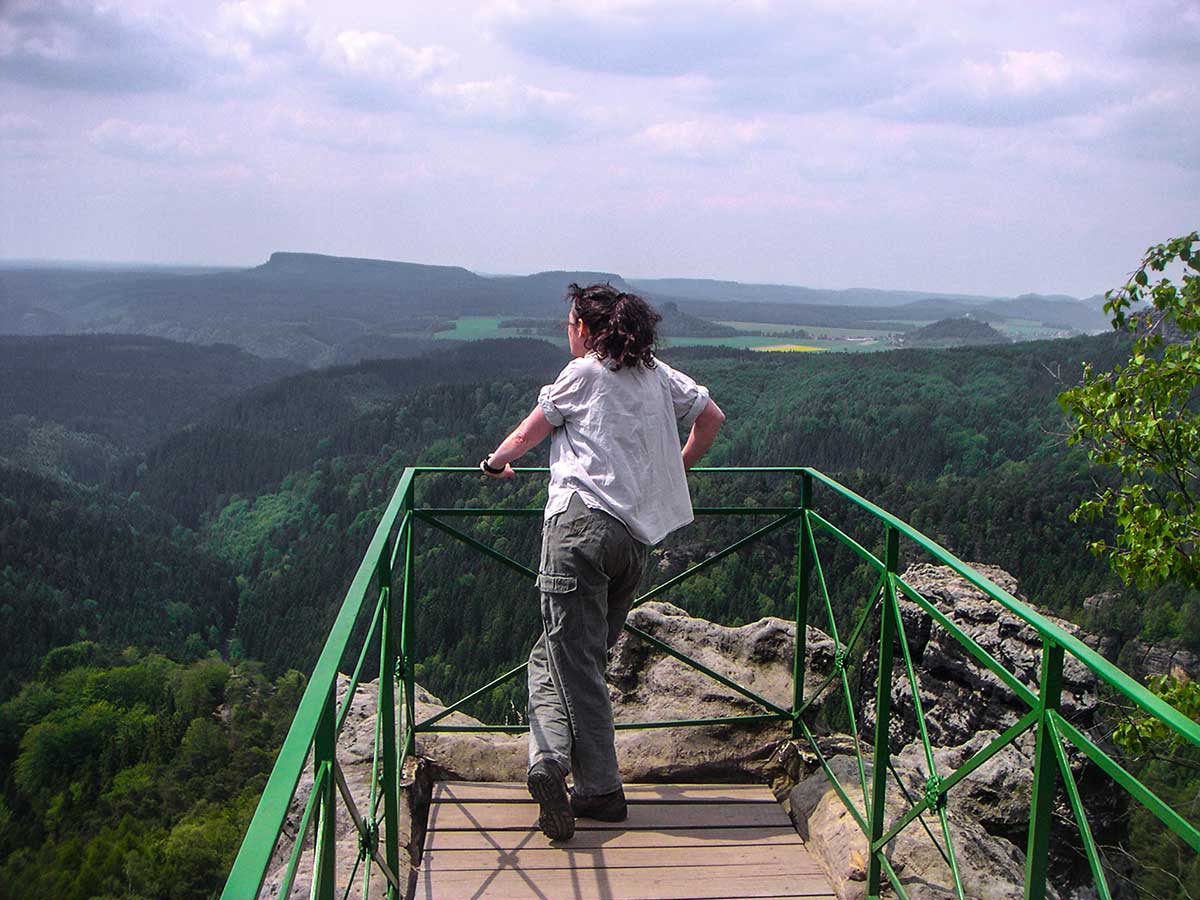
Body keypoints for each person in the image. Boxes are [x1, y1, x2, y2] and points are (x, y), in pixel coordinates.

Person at [479, 282, 726, 841]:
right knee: (562, 653)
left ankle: (598, 789)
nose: (567, 332)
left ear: (589, 330)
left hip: (578, 530)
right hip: (633, 543)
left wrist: (493, 465)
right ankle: (549, 759)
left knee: (574, 662)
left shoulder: (584, 373)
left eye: (571, 324)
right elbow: (712, 417)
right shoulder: (658, 374)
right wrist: (676, 468)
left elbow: (525, 434)